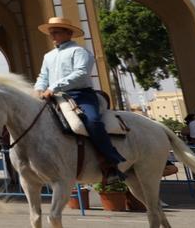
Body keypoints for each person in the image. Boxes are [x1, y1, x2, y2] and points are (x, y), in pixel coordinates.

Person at [33, 16, 127, 182]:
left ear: (68, 33)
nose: (52, 35)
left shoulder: (80, 52)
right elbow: (43, 76)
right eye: (51, 32)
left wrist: (53, 88)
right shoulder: (48, 56)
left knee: (92, 122)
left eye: (56, 32)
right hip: (54, 97)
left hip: (80, 95)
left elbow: (80, 74)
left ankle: (111, 162)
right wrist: (37, 90)